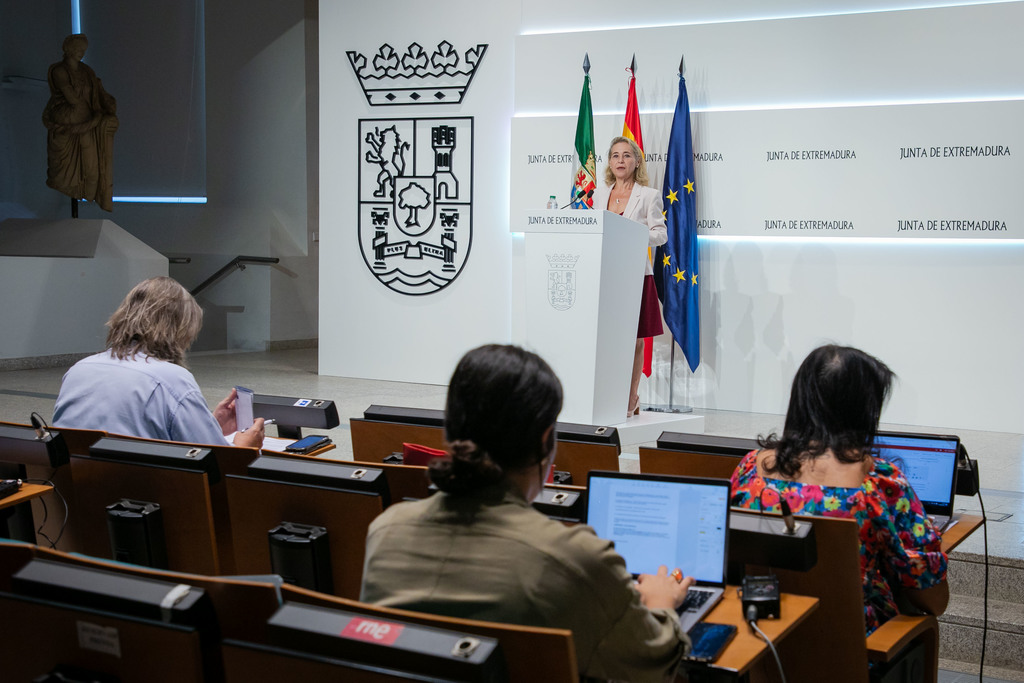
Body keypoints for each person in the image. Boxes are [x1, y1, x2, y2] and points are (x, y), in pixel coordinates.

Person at [360, 344, 691, 681]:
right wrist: (662, 602)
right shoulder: (573, 559)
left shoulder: (386, 532)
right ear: (545, 441)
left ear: (452, 432)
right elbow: (654, 661)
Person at [729, 344, 948, 635]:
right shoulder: (879, 482)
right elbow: (931, 598)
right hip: (857, 651)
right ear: (862, 410)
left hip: (761, 642)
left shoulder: (750, 470)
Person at [53, 277, 264, 448]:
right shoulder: (172, 379)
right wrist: (246, 448)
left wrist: (211, 425)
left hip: (78, 491)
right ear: (180, 330)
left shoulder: (79, 369)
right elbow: (215, 465)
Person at [594, 136, 667, 417]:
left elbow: (661, 234)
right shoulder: (600, 195)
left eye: (626, 155)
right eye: (615, 156)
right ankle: (607, 392)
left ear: (636, 161)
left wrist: (633, 234)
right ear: (609, 163)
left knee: (635, 340)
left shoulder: (649, 195)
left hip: (636, 274)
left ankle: (631, 395)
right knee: (608, 338)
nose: (620, 161)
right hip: (606, 274)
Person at [42, 33, 119, 212]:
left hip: (86, 125)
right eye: (77, 49)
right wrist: (92, 115)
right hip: (67, 126)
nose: (80, 53)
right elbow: (73, 99)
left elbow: (96, 95)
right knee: (64, 175)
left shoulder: (87, 71)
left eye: (83, 50)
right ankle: (71, 193)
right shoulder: (59, 71)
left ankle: (91, 196)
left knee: (92, 171)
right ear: (68, 49)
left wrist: (102, 105)